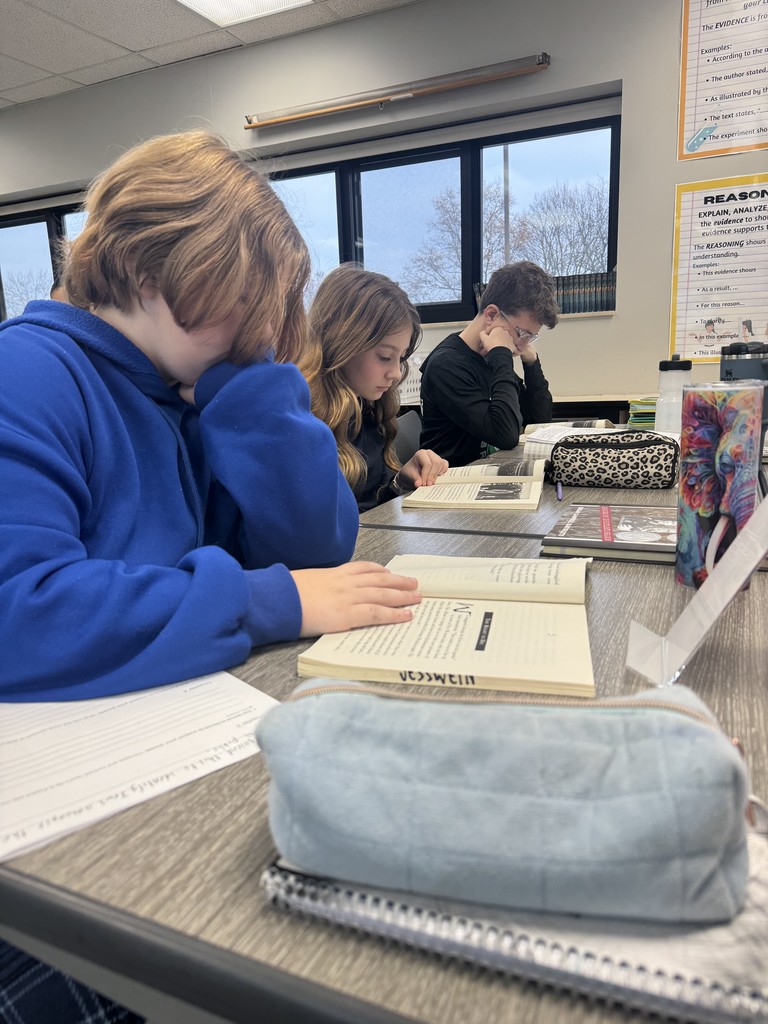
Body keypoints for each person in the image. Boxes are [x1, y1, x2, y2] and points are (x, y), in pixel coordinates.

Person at [0, 131, 425, 1022]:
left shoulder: (189, 391)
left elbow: (318, 546)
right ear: (158, 274)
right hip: (46, 850)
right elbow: (18, 611)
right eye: (249, 305)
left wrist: (255, 387)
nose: (267, 330)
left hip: (158, 763)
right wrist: (268, 598)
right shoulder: (27, 373)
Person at [301, 264, 448, 512]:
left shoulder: (368, 406)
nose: (395, 373)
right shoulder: (300, 421)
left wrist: (400, 481)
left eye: (400, 358)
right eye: (384, 356)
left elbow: (370, 508)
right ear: (341, 342)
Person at [419, 261, 558, 466]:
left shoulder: (490, 357)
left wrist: (532, 364)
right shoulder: (447, 364)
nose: (521, 345)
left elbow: (538, 423)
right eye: (521, 333)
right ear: (492, 315)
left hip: (485, 473)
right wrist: (500, 353)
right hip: (451, 482)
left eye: (531, 337)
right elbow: (506, 435)